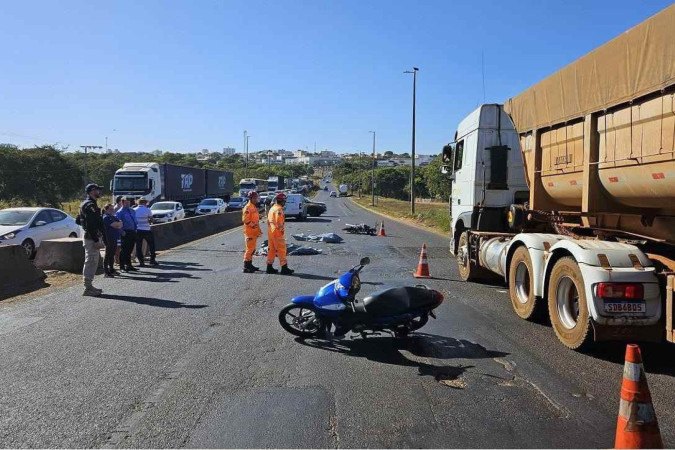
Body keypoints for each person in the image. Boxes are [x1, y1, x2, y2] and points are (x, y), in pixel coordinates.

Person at [78, 183, 106, 296]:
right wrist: (95, 240)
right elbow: (90, 224)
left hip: (91, 236)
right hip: (91, 238)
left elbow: (78, 220)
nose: (99, 192)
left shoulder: (87, 204)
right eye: (97, 190)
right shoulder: (89, 205)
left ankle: (89, 286)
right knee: (91, 261)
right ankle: (88, 288)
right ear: (91, 191)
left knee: (93, 261)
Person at [266, 192, 294, 275]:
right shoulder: (279, 210)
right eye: (284, 201)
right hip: (277, 232)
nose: (285, 203)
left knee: (272, 250)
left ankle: (269, 267)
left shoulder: (272, 208)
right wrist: (281, 230)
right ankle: (284, 268)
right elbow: (279, 222)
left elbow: (269, 221)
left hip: (271, 231)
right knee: (281, 250)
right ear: (282, 201)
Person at [116, 196, 138, 272]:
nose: (128, 203)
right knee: (124, 250)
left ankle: (129, 265)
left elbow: (134, 220)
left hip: (132, 231)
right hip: (125, 232)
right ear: (122, 202)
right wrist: (122, 232)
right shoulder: (119, 212)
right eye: (126, 201)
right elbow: (118, 223)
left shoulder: (132, 210)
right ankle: (122, 266)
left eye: (129, 201)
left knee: (130, 250)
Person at [242, 191, 262, 273]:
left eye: (256, 198)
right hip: (250, 232)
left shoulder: (253, 206)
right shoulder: (248, 207)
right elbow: (245, 220)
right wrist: (253, 225)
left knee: (252, 249)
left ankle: (250, 264)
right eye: (255, 198)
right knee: (249, 250)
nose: (256, 199)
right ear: (251, 198)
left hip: (254, 232)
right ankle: (246, 266)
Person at [133, 198, 157, 266]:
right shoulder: (148, 210)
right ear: (145, 203)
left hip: (138, 230)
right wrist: (148, 221)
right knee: (151, 245)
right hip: (146, 229)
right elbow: (152, 220)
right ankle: (152, 260)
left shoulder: (134, 210)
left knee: (138, 246)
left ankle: (141, 261)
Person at [102, 204, 123, 277]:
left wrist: (118, 224)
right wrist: (117, 224)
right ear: (106, 210)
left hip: (115, 238)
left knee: (112, 254)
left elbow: (121, 224)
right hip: (108, 238)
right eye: (110, 209)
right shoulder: (106, 218)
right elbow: (114, 225)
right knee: (108, 254)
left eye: (113, 209)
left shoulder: (113, 217)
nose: (112, 210)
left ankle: (111, 269)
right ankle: (106, 271)